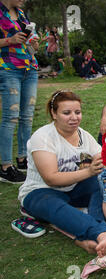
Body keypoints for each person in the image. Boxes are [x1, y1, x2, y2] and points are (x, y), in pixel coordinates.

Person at [17, 91, 106, 255]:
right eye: (66, 113)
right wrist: (90, 171)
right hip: (41, 192)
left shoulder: (83, 135)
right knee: (54, 206)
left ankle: (93, 230)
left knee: (104, 180)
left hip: (73, 189)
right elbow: (51, 178)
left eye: (77, 112)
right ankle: (101, 232)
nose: (74, 117)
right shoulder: (42, 137)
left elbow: (103, 158)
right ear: (54, 114)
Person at [0, 0, 40, 184]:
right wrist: (10, 40)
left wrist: (34, 44)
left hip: (29, 67)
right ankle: (5, 167)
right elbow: (12, 40)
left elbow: (26, 42)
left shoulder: (21, 13)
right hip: (8, 68)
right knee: (11, 117)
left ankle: (23, 159)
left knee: (27, 116)